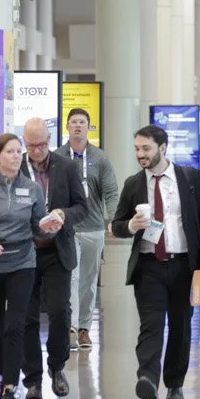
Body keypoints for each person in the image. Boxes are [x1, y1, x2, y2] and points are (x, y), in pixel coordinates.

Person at [110, 125, 200, 399]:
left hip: (185, 265)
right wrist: (130, 226)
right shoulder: (134, 184)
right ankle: (147, 378)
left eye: (146, 149)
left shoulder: (190, 178)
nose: (140, 154)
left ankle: (174, 384)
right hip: (149, 266)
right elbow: (116, 226)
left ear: (163, 148)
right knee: (151, 325)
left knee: (180, 327)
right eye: (137, 149)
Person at [0, 133, 55, 399]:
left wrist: (48, 226)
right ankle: (4, 370)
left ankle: (8, 389)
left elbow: (38, 225)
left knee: (15, 324)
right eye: (10, 151)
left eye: (19, 151)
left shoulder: (31, 189)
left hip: (22, 262)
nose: (17, 156)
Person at [20, 118, 88, 399]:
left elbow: (82, 207)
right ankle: (33, 378)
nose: (37, 151)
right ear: (24, 143)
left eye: (42, 144)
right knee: (26, 315)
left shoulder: (67, 167)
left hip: (57, 251)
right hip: (24, 253)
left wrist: (63, 214)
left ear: (50, 140)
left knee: (60, 311)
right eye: (31, 145)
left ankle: (57, 368)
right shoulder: (14, 168)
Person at [59, 107, 118, 352]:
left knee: (88, 281)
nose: (77, 126)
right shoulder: (58, 156)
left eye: (82, 122)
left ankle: (84, 328)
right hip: (68, 229)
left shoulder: (100, 157)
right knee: (70, 278)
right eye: (73, 122)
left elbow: (111, 192)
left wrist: (113, 219)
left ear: (88, 127)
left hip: (93, 228)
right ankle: (70, 329)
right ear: (67, 127)